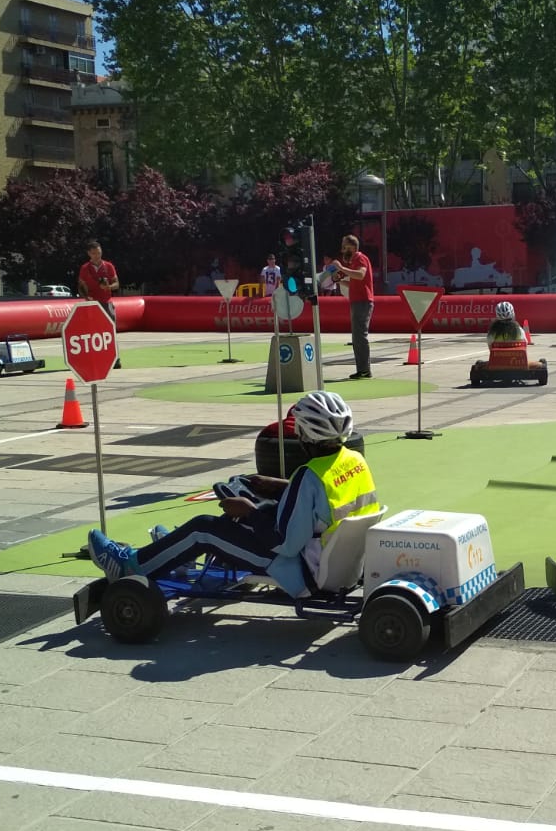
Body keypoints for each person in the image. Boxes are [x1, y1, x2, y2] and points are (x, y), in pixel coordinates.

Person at [87, 391, 382, 596]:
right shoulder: (354, 461)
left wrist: (249, 511)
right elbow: (322, 505)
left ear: (305, 434)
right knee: (252, 512)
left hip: (300, 572)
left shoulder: (309, 476)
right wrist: (276, 487)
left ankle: (127, 565)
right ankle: (173, 554)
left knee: (204, 528)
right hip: (342, 568)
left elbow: (286, 545)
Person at [337, 234, 376, 379]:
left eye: (345, 246)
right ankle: (363, 369)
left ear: (353, 247)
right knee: (357, 336)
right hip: (357, 301)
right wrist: (339, 280)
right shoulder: (354, 261)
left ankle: (365, 370)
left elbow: (360, 275)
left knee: (359, 336)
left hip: (362, 301)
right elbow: (354, 281)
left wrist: (341, 268)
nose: (343, 250)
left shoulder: (360, 258)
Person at [78, 241, 119, 318]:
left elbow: (117, 284)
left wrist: (109, 287)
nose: (97, 256)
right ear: (89, 253)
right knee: (92, 328)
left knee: (110, 327)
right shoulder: (84, 268)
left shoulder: (109, 266)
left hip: (107, 302)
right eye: (94, 253)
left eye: (99, 253)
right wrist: (86, 298)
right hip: (91, 303)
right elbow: (80, 286)